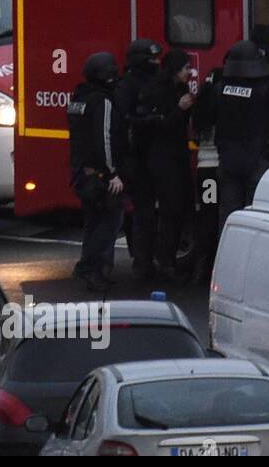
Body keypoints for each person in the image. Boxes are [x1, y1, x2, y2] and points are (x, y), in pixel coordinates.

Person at [205, 40, 269, 238]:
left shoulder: (220, 89)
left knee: (229, 215)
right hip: (257, 159)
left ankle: (227, 259)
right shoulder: (266, 90)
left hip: (228, 160)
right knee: (257, 215)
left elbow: (206, 117)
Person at [134, 48, 196, 280]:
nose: (189, 72)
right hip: (161, 159)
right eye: (185, 68)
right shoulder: (158, 92)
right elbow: (159, 126)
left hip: (177, 156)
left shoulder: (180, 89)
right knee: (168, 210)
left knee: (179, 209)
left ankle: (165, 259)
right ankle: (162, 262)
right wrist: (179, 110)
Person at [67, 53, 124, 292]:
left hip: (81, 171)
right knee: (108, 222)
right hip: (99, 174)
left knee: (92, 221)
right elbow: (105, 138)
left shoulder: (77, 98)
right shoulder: (102, 101)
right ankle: (95, 270)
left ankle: (85, 265)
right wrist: (112, 173)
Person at [111, 38, 162, 277]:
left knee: (146, 212)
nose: (155, 63)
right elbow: (123, 122)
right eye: (151, 59)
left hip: (151, 156)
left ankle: (144, 258)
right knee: (142, 212)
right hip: (135, 158)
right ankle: (141, 262)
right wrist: (149, 121)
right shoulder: (126, 86)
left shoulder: (152, 80)